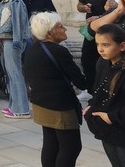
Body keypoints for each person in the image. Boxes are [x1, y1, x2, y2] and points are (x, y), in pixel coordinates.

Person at [23, 12, 87, 167]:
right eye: (60, 26)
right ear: (49, 32)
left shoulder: (31, 50)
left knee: (51, 144)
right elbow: (80, 81)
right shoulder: (58, 51)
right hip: (60, 107)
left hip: (41, 104)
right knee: (71, 147)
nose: (65, 29)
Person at [85, 24, 125, 167]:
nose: (100, 49)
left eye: (105, 45)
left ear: (122, 46)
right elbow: (98, 89)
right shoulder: (102, 63)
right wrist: (91, 106)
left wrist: (111, 117)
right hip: (106, 129)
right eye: (97, 44)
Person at [77, 0, 119, 101]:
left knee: (103, 60)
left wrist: (100, 17)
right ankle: (90, 89)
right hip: (90, 30)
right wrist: (84, 8)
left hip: (107, 30)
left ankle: (105, 90)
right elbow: (79, 5)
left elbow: (116, 10)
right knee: (86, 58)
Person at [0, 0, 31, 119]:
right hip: (5, 41)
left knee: (15, 74)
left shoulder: (16, 2)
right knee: (10, 74)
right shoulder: (6, 1)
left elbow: (18, 26)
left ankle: (21, 109)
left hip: (12, 42)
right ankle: (14, 105)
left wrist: (12, 41)